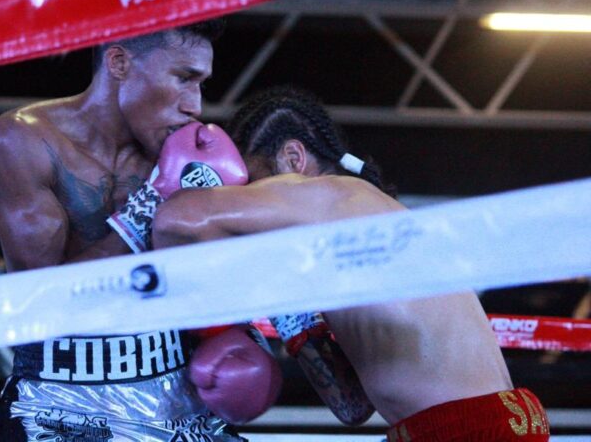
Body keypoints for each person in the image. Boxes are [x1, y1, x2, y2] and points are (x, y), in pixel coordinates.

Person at [152, 85, 550, 441]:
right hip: (482, 423)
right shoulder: (361, 233)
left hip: (464, 430)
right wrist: (288, 309)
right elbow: (353, 407)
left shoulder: (330, 194)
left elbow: (177, 219)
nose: (252, 209)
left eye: (255, 186)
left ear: (293, 158)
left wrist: (186, 182)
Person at [0, 20, 280, 442]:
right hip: (61, 400)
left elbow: (217, 283)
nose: (194, 104)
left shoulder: (193, 155)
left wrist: (239, 340)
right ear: (119, 62)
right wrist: (155, 201)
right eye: (183, 78)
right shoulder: (26, 140)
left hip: (173, 394)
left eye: (201, 84)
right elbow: (45, 299)